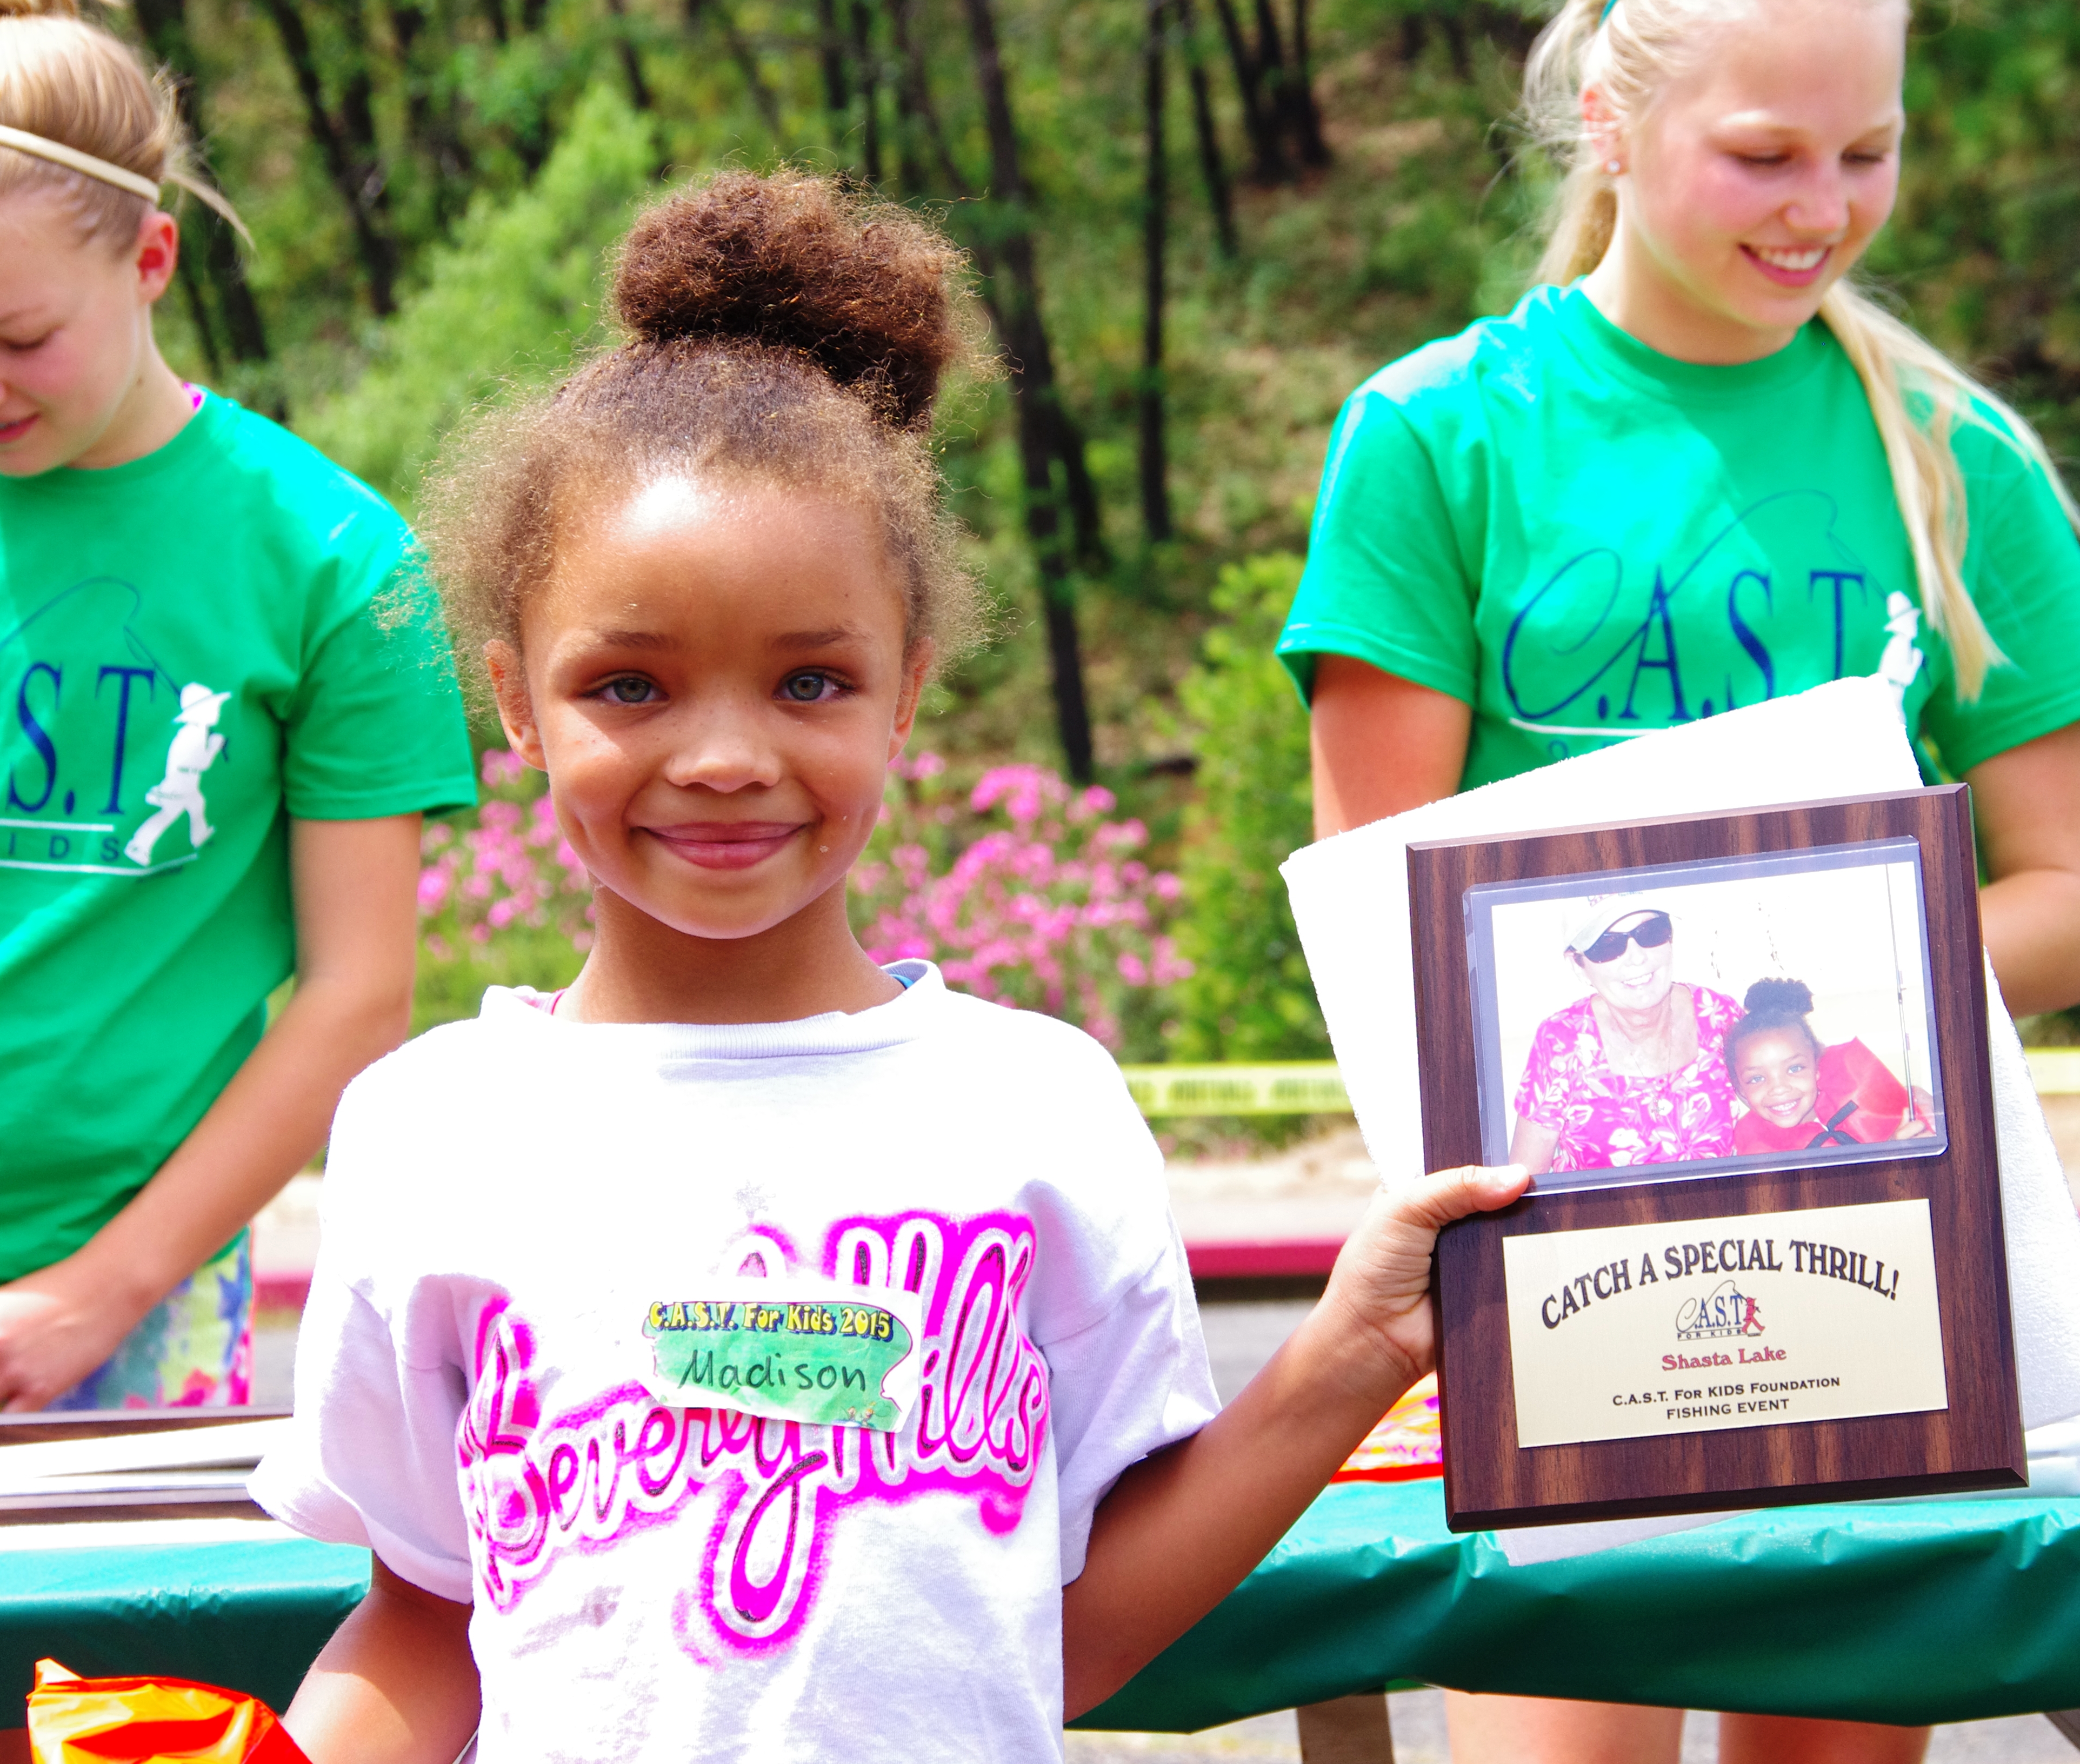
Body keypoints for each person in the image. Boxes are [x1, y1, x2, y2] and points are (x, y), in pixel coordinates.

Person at [253, 171, 1528, 1764]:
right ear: (515, 698)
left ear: (906, 691)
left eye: (809, 681)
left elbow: (1071, 1637)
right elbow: (428, 1620)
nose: (725, 756)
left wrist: (1358, 1348)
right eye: (630, 686)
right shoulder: (432, 1131)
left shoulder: (1036, 1106)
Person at [1279, 0, 2080, 1754]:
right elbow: (1385, 939)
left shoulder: (1954, 454)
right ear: (1608, 118)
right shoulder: (1435, 436)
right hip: (1550, 1282)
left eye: (1867, 151)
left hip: (1882, 1258)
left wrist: (1829, 978)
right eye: (1762, 155)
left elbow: (2072, 903)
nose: (1821, 206)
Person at [0, 0, 476, 1458]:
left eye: (21, 337)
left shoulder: (335, 563)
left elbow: (357, 994)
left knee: (105, 1627)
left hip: (134, 1306)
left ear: (151, 259)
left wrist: (101, 1291)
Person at [1512, 904, 1744, 1174]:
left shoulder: (1719, 1015)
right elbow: (1524, 1180)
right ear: (1578, 966)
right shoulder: (1561, 1040)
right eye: (1608, 946)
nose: (1637, 957)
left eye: (1651, 932)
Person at [1724, 979, 1934, 1155]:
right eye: (1757, 1078)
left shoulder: (1865, 1087)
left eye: (1795, 1069)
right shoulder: (1754, 1151)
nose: (1779, 1088)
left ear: (1817, 1068)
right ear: (1741, 1092)